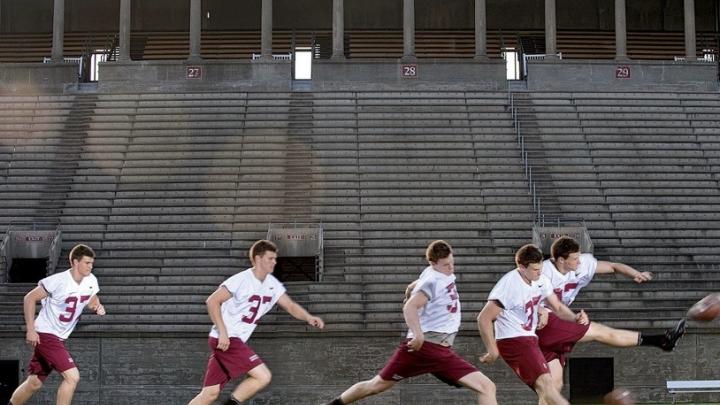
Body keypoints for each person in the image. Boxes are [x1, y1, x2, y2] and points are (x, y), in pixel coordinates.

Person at [323, 240, 497, 405]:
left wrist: (409, 291)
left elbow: (413, 286)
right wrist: (418, 333)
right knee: (486, 387)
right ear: (433, 263)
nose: (451, 267)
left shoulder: (434, 273)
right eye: (446, 264)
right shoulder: (432, 281)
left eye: (452, 262)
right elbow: (409, 308)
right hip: (428, 348)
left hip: (436, 350)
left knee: (376, 385)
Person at [534, 236, 687, 399]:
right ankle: (661, 340)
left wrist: (635, 273)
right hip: (542, 323)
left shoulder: (583, 264)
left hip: (557, 323)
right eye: (574, 258)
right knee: (600, 331)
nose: (579, 261)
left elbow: (613, 266)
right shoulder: (543, 271)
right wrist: (539, 309)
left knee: (553, 386)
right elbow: (521, 294)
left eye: (579, 257)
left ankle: (663, 341)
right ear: (560, 260)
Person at [188, 239, 325, 405]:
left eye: (275, 258)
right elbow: (212, 301)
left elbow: (289, 305)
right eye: (270, 258)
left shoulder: (272, 284)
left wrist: (308, 317)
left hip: (229, 340)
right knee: (263, 376)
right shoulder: (241, 280)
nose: (275, 262)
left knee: (210, 393)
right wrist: (223, 332)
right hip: (228, 338)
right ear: (258, 259)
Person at [477, 244, 588, 405]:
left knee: (549, 388)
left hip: (530, 339)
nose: (539, 272)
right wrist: (492, 349)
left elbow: (557, 307)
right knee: (547, 385)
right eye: (535, 269)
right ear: (522, 268)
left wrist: (574, 317)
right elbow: (484, 318)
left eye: (540, 268)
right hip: (513, 340)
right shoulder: (509, 284)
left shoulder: (540, 279)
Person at [9, 244, 105, 405]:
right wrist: (30, 330)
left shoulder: (91, 280)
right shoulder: (58, 281)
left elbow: (91, 297)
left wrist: (97, 305)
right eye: (87, 263)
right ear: (75, 262)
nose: (91, 266)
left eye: (92, 263)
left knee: (34, 383)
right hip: (46, 333)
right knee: (73, 377)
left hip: (59, 337)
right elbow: (29, 298)